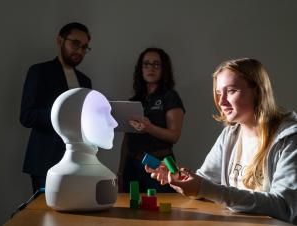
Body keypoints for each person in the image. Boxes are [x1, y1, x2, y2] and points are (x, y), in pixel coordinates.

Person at [145, 58, 297, 224]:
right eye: (218, 93)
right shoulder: (229, 135)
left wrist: (204, 188)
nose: (221, 102)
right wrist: (181, 179)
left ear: (258, 91)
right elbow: (206, 184)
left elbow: (286, 207)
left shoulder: (290, 139)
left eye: (231, 91)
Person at [20, 22, 92, 193]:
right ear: (60, 41)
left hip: (79, 163)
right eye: (75, 44)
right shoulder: (39, 71)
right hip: (45, 159)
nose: (80, 51)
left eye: (84, 47)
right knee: (47, 217)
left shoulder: (85, 81)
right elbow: (27, 116)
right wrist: (61, 115)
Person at [118, 47, 185, 193]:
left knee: (160, 209)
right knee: (131, 208)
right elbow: (127, 139)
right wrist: (121, 171)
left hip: (159, 162)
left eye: (156, 64)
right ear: (140, 69)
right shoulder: (134, 101)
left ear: (163, 69)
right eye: (146, 64)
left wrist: (149, 128)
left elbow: (174, 135)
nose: (151, 68)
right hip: (132, 162)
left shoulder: (170, 96)